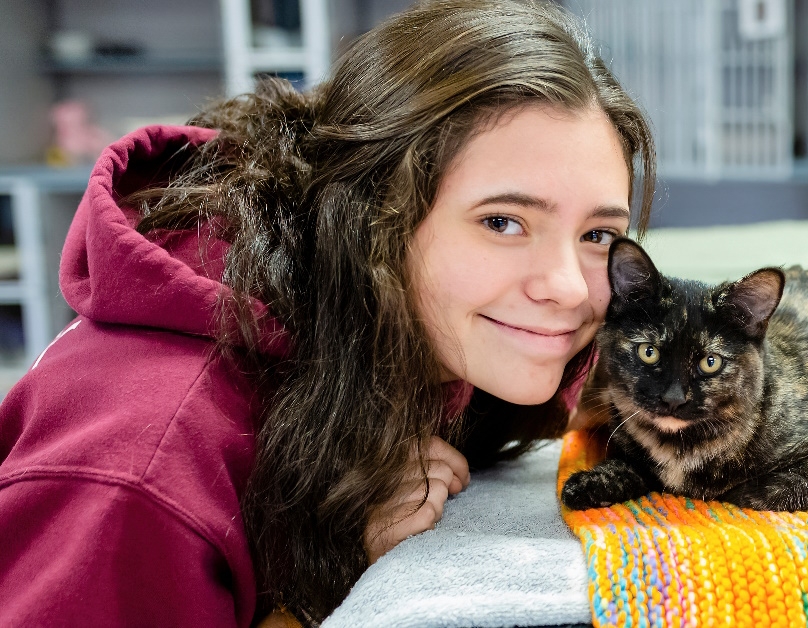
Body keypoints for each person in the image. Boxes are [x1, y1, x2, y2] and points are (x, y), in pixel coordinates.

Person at [0, 1, 655, 625]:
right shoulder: (138, 469)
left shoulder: (441, 324)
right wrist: (322, 586)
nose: (568, 288)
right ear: (371, 215)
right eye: (503, 222)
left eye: (598, 235)